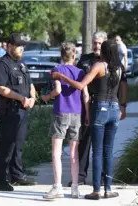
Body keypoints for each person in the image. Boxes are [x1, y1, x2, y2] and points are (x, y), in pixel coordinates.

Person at [52, 40, 127, 200]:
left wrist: (61, 76)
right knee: (108, 150)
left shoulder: (99, 66)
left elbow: (80, 85)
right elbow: (122, 87)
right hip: (115, 108)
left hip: (101, 107)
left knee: (97, 151)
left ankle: (96, 190)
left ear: (105, 51)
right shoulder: (119, 68)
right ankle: (108, 188)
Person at [41, 42, 90, 199]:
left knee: (56, 151)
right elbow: (85, 95)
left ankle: (57, 187)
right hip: (77, 113)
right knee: (74, 152)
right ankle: (75, 187)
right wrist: (87, 114)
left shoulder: (57, 70)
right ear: (74, 55)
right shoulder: (81, 72)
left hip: (61, 112)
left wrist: (47, 97)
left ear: (61, 55)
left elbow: (58, 90)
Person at [0, 33, 37, 191]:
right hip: (9, 110)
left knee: (18, 143)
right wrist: (20, 98)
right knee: (7, 145)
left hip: (22, 110)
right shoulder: (2, 64)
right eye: (19, 45)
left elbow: (30, 84)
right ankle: (0, 180)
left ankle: (17, 174)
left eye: (23, 45)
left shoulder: (22, 64)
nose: (22, 48)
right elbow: (0, 88)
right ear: (9, 46)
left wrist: (32, 97)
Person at [67, 31, 108, 187]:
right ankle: (80, 176)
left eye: (99, 43)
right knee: (83, 141)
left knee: (103, 142)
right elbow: (76, 79)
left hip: (103, 104)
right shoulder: (85, 59)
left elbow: (118, 83)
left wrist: (122, 105)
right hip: (84, 106)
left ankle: (104, 176)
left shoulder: (109, 60)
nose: (96, 46)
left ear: (104, 43)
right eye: (94, 42)